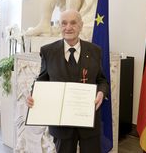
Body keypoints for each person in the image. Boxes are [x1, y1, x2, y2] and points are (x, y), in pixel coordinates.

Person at [26, 9, 109, 153]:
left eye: (73, 23)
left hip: (89, 121)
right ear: (59, 26)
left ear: (81, 25)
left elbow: (101, 79)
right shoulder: (48, 51)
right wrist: (33, 94)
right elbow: (42, 79)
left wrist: (101, 92)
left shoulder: (95, 50)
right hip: (61, 125)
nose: (68, 27)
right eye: (64, 23)